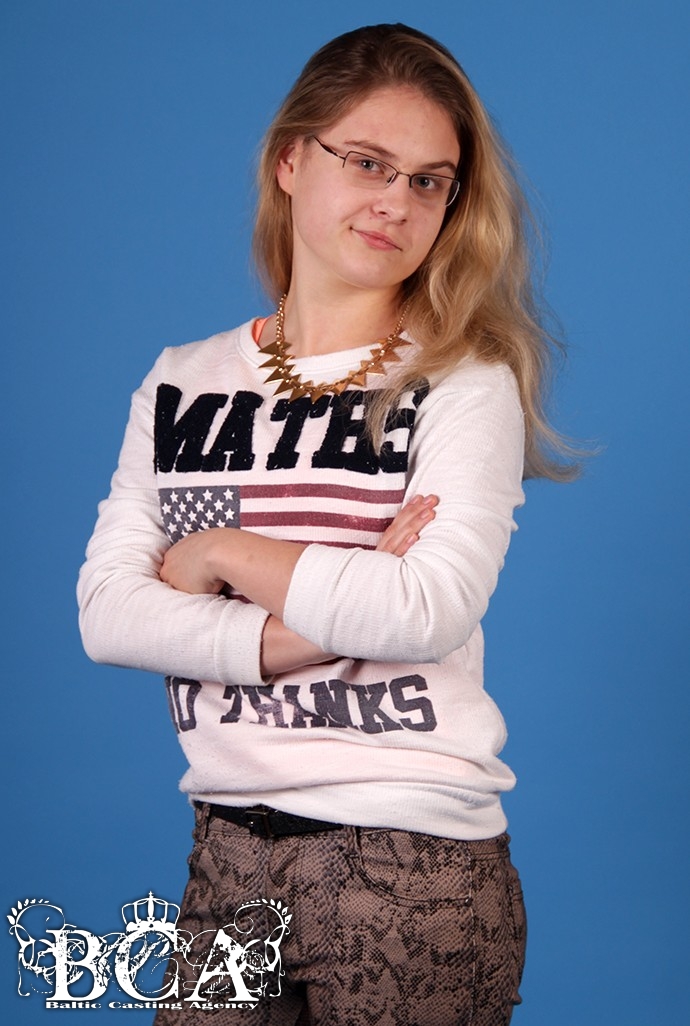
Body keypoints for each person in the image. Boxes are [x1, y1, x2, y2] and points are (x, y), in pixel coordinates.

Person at [78, 22, 574, 1026]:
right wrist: (320, 617)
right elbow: (110, 616)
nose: (397, 201)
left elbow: (421, 612)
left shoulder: (462, 382)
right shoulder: (183, 382)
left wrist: (218, 552)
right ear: (290, 161)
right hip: (225, 852)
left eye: (430, 182)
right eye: (368, 163)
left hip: (410, 865)